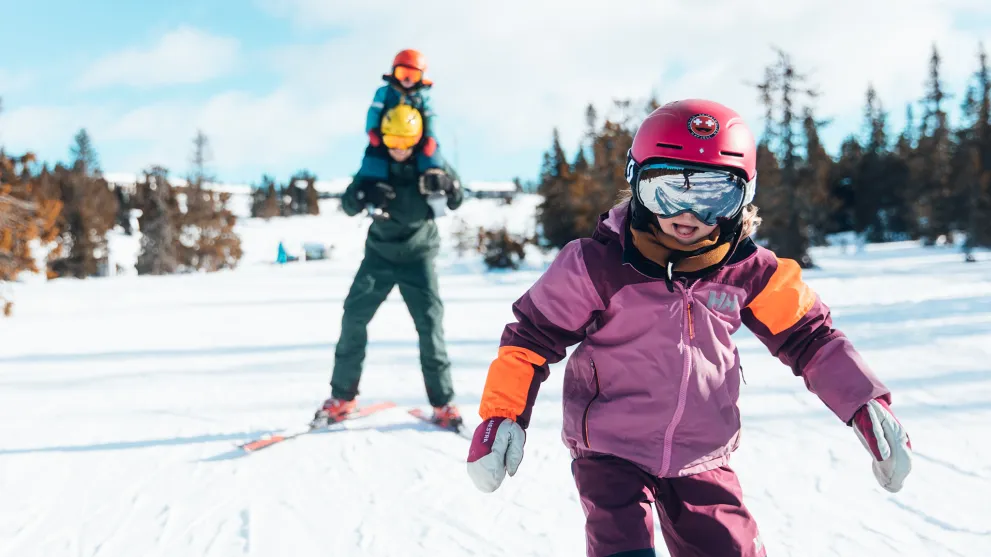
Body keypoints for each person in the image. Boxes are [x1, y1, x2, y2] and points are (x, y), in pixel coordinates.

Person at [464, 99, 913, 557]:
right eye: (668, 190)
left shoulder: (750, 272)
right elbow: (530, 339)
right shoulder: (596, 265)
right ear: (636, 182)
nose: (689, 215)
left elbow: (812, 338)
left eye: (715, 195)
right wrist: (502, 414)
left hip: (703, 453)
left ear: (743, 197)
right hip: (610, 449)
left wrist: (864, 402)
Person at [312, 103, 465, 430]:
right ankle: (342, 398)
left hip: (418, 255)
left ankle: (443, 404)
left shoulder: (431, 163)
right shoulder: (375, 164)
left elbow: (457, 198)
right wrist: (365, 191)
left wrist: (449, 185)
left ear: (416, 138)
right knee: (354, 316)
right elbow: (348, 204)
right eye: (392, 140)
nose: (398, 148)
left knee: (430, 326)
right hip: (379, 256)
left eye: (404, 141)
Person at [359, 48, 443, 181]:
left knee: (431, 157)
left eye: (413, 75)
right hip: (386, 137)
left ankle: (434, 182)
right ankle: (372, 186)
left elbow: (431, 116)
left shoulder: (423, 97)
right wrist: (372, 130)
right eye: (402, 73)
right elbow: (374, 111)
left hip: (415, 139)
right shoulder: (385, 93)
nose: (407, 79)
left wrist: (430, 136)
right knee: (374, 158)